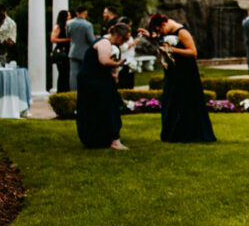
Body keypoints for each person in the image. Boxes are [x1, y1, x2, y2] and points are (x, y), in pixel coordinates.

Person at [142, 13, 217, 143]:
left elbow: (193, 52)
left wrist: (172, 50)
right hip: (173, 72)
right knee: (170, 99)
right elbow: (160, 39)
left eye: (159, 30)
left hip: (185, 72)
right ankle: (171, 133)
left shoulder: (181, 32)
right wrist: (150, 37)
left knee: (184, 100)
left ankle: (186, 133)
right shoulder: (167, 31)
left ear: (164, 24)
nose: (159, 33)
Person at [77, 23, 129, 151]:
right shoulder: (105, 43)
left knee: (98, 108)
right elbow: (104, 60)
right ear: (117, 35)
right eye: (124, 39)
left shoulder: (105, 41)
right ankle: (114, 140)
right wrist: (118, 63)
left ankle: (99, 138)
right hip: (94, 80)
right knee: (109, 106)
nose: (124, 42)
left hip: (94, 78)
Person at [66, 7, 95, 92]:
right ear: (85, 13)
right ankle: (85, 91)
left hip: (73, 51)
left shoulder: (69, 23)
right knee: (86, 73)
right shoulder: (88, 25)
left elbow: (68, 35)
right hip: (85, 52)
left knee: (73, 74)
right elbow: (91, 40)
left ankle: (73, 91)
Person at [49, 9, 71, 92]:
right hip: (61, 51)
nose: (70, 17)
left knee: (67, 73)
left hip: (68, 50)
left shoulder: (68, 26)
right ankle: (61, 91)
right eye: (68, 15)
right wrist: (67, 40)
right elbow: (53, 39)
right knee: (63, 73)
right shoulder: (58, 27)